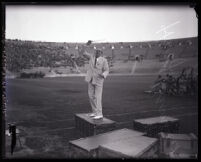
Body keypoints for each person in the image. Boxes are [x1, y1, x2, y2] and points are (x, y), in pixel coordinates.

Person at [82, 48, 109, 119]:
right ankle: (94, 112)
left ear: (101, 53)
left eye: (98, 51)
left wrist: (103, 75)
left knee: (98, 97)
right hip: (90, 79)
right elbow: (83, 52)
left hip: (98, 80)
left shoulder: (104, 60)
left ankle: (100, 114)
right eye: (96, 51)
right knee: (91, 96)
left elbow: (106, 70)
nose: (97, 52)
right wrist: (87, 45)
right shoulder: (91, 57)